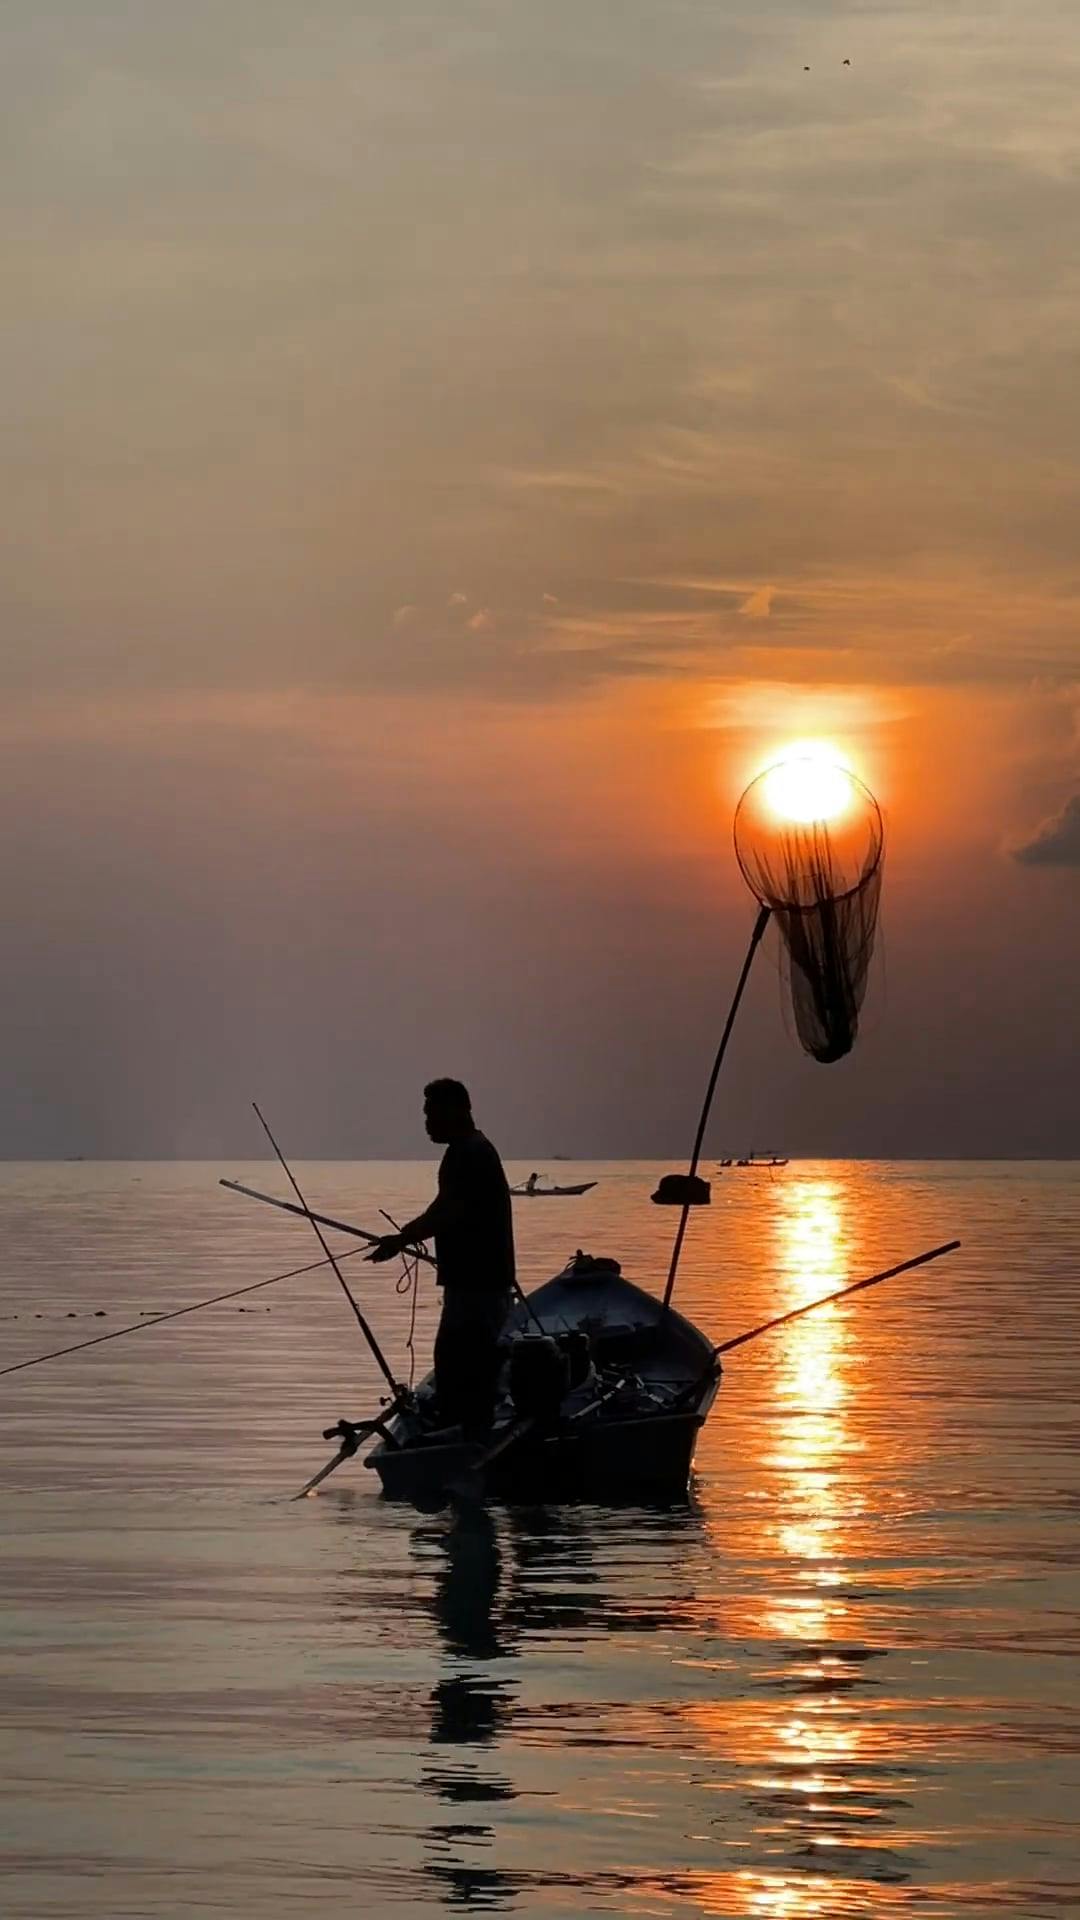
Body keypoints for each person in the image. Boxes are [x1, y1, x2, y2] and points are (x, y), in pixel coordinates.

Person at [367, 1079, 515, 1442]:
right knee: (458, 1360)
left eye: (432, 1113)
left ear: (457, 1110)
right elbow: (443, 1206)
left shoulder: (471, 1152)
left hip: (478, 1282)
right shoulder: (463, 1151)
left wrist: (402, 1239)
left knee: (459, 1360)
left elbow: (452, 1212)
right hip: (472, 1280)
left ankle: (468, 1434)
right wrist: (404, 1235)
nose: (427, 1123)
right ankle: (462, 1426)